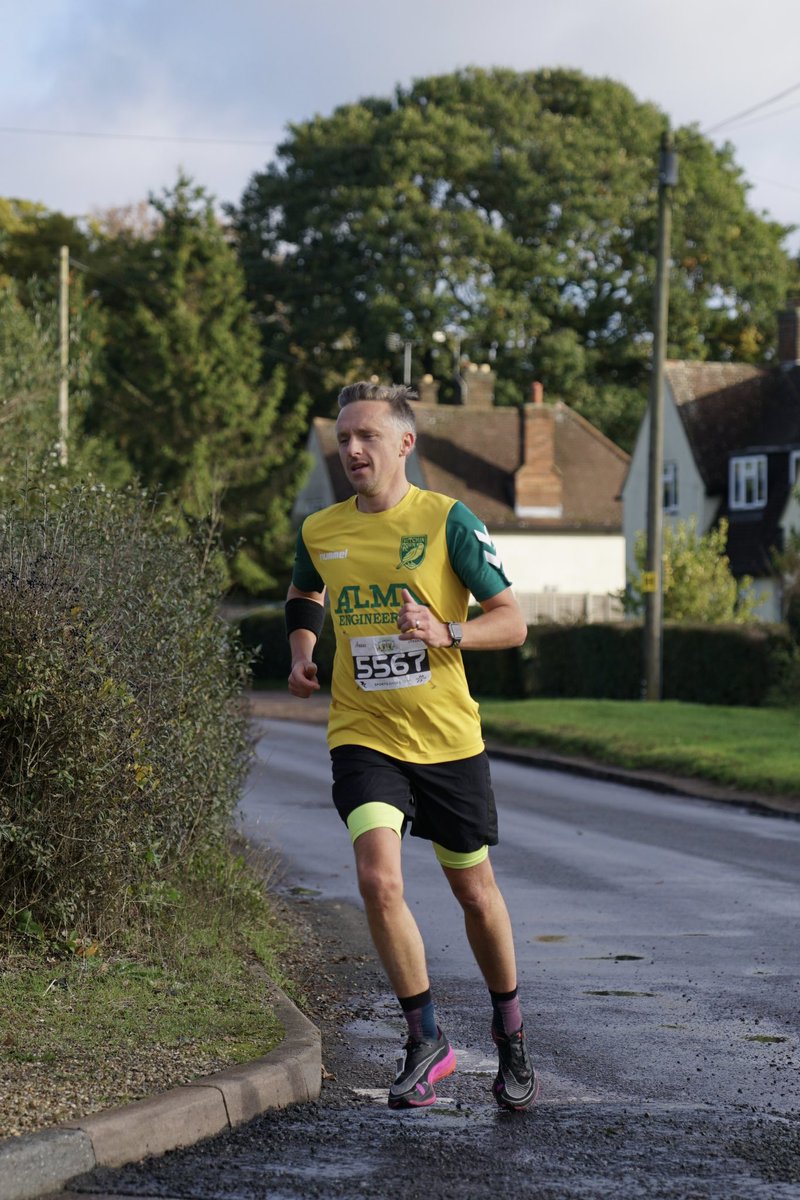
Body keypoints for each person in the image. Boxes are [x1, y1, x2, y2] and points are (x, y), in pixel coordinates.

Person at [285, 380, 539, 1112]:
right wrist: (303, 652)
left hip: (448, 739)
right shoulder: (322, 529)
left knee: (474, 890)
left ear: (405, 443)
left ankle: (512, 1033)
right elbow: (307, 593)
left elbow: (512, 621)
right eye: (344, 439)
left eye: (367, 436)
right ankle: (425, 1040)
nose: (353, 450)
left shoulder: (447, 521)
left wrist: (444, 631)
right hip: (365, 735)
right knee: (378, 881)